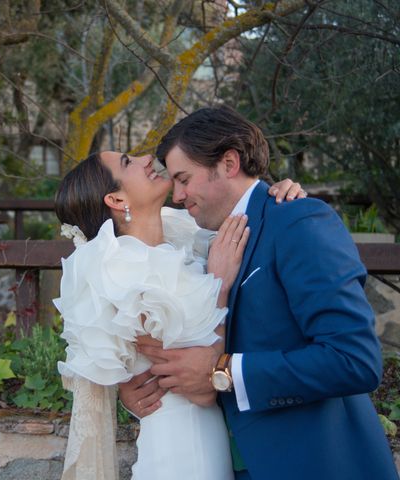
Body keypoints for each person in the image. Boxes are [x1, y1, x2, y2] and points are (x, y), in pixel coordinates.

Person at [120, 105, 399, 480]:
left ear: (229, 162)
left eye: (184, 178)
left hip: (313, 464)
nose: (178, 195)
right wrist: (134, 393)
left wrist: (225, 371)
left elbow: (354, 359)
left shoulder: (298, 221)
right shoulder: (198, 242)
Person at [53, 150, 304, 479]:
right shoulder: (121, 273)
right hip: (182, 450)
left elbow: (243, 210)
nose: (147, 158)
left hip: (214, 439)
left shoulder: (184, 237)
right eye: (128, 161)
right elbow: (202, 369)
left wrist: (277, 194)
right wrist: (220, 284)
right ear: (115, 198)